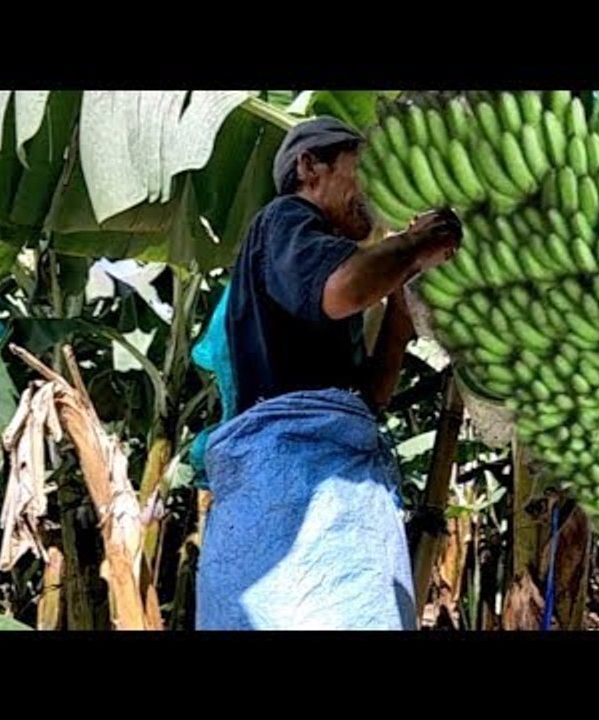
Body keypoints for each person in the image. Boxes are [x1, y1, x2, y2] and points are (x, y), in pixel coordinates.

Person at [195, 116, 463, 630]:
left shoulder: (323, 265)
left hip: (333, 483)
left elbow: (368, 398)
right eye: (365, 170)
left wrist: (402, 311)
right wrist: (415, 245)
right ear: (310, 166)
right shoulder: (286, 221)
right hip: (293, 479)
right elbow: (341, 291)